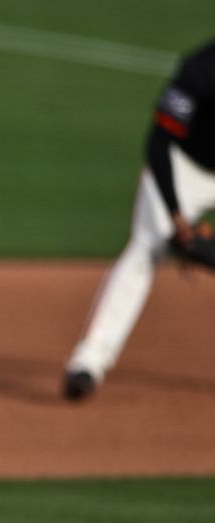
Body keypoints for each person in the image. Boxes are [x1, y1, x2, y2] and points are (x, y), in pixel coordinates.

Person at [63, 39, 215, 401]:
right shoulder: (200, 69)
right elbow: (159, 140)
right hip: (184, 167)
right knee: (145, 249)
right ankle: (89, 361)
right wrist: (176, 214)